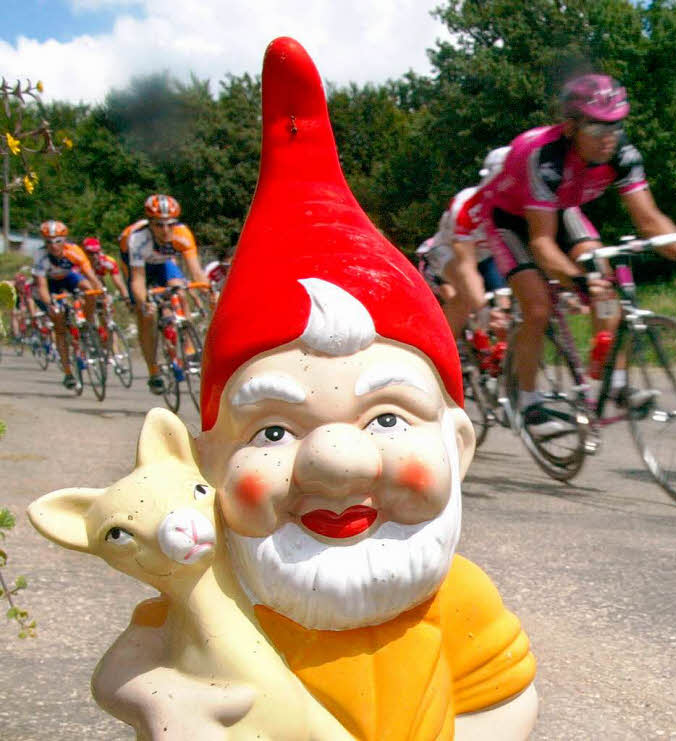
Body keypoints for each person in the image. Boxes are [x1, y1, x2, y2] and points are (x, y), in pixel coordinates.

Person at [90, 38, 538, 741]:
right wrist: (160, 700)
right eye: (272, 430)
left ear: (458, 443)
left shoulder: (457, 598)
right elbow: (128, 668)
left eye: (388, 418)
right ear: (210, 462)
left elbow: (499, 698)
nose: (337, 461)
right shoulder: (213, 591)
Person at [480, 73, 676, 433]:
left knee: (604, 278)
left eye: (616, 125)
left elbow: (649, 219)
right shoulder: (543, 156)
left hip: (561, 209)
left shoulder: (622, 153)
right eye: (596, 129)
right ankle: (526, 399)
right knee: (538, 306)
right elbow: (542, 243)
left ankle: (617, 382)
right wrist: (577, 281)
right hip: (508, 220)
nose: (608, 137)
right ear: (570, 126)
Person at [119, 194, 205, 394]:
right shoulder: (137, 239)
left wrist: (209, 293)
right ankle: (153, 371)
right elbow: (137, 280)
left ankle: (190, 348)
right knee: (146, 315)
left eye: (170, 224)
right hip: (139, 268)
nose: (165, 230)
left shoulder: (182, 233)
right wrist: (144, 301)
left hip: (163, 263)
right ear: (150, 224)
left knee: (180, 290)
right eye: (159, 225)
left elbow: (197, 272)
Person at [428, 146, 511, 336]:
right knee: (467, 296)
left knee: (503, 308)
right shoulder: (466, 204)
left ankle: (505, 353)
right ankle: (445, 347)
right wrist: (482, 307)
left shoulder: (518, 203)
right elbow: (466, 266)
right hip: (449, 251)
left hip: (487, 255)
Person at [30, 220, 103, 389]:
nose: (53, 245)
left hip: (68, 278)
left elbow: (89, 274)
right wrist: (50, 305)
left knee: (88, 289)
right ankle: (68, 372)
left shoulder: (74, 251)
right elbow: (41, 286)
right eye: (49, 242)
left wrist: (99, 291)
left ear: (65, 240)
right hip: (50, 284)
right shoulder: (40, 256)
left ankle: (87, 322)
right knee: (60, 325)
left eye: (58, 241)